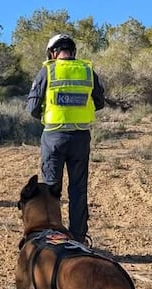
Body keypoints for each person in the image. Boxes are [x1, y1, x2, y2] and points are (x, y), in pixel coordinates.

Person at [26, 34, 105, 245]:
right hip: (81, 137)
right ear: (73, 51)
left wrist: (48, 114)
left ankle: (53, 239)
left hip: (54, 137)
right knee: (78, 189)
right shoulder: (88, 71)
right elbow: (99, 102)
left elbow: (32, 108)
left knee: (51, 189)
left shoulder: (48, 71)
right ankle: (78, 239)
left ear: (52, 53)